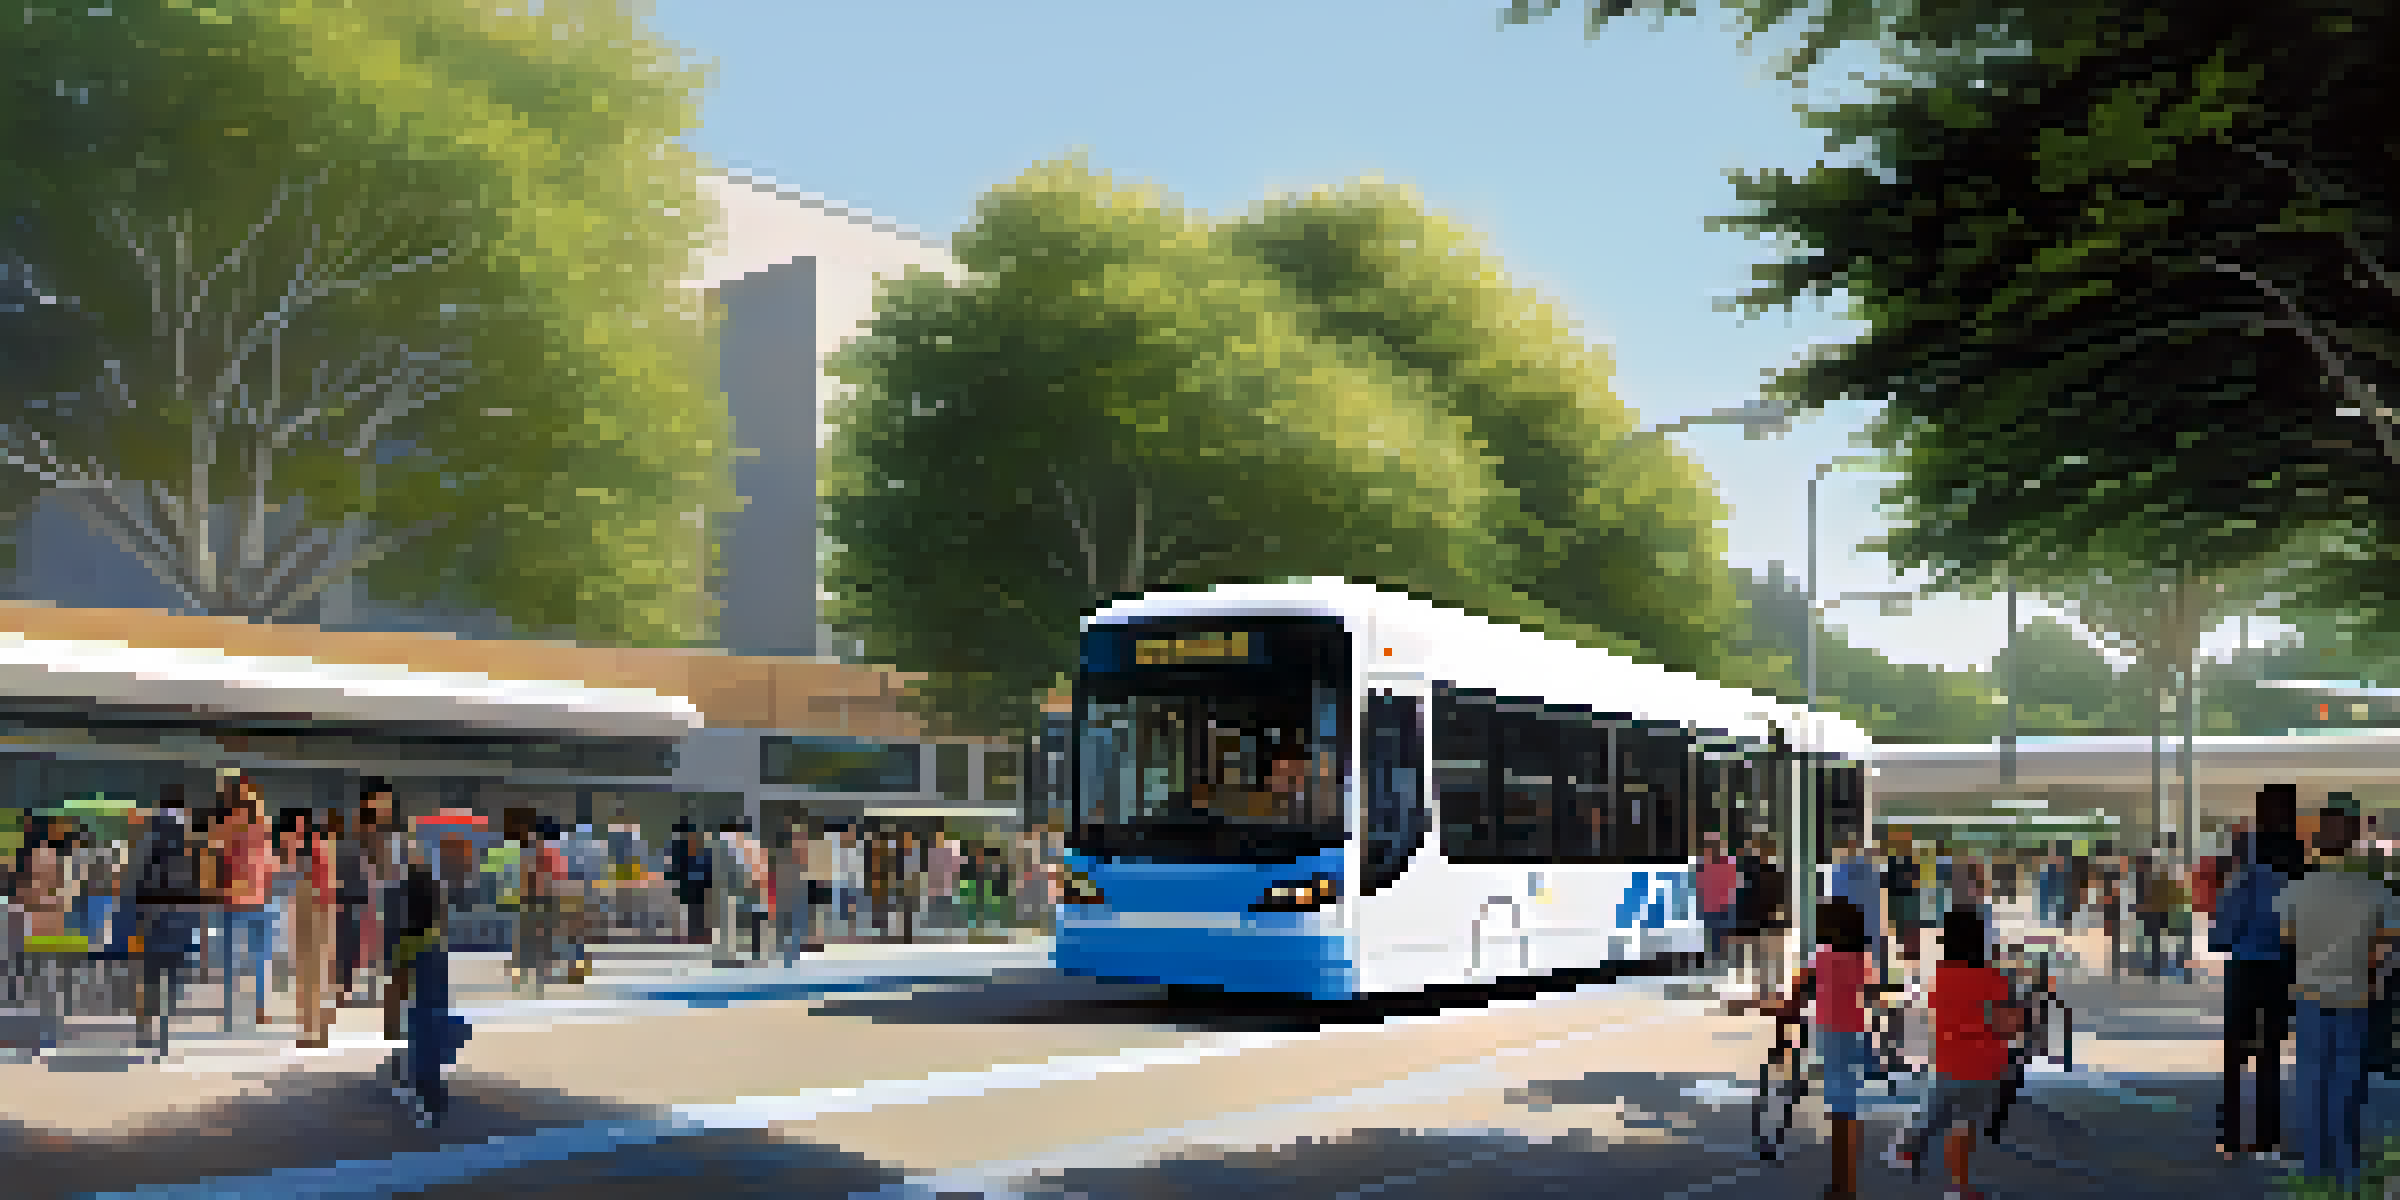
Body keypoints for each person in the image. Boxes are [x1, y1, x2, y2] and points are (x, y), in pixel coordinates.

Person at [2274, 800, 2400, 1191]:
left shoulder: (2295, 890)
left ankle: (2315, 1167)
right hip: (2355, 997)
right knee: (2347, 1085)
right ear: (2353, 840)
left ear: (2312, 843)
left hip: (2309, 995)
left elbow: (2286, 941)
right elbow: (2388, 946)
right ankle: (2347, 1169)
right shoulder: (2374, 891)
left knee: (2311, 1083)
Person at [1887, 907, 2026, 1200]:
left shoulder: (1940, 977)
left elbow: (1930, 1016)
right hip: (1986, 1067)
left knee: (1933, 1114)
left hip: (1949, 1063)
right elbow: (2010, 1026)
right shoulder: (1995, 978)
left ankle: (1905, 1149)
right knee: (1964, 1126)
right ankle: (1959, 1187)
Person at [2212, 803, 2302, 1160]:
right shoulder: (2297, 880)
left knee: (2234, 1059)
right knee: (2270, 1057)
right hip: (2282, 972)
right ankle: (2267, 1138)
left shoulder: (2244, 881)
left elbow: (2221, 935)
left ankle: (2232, 1137)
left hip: (2245, 972)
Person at [1772, 897, 1875, 1200]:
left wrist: (1783, 1025)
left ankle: (1843, 1186)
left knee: (1841, 1113)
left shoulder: (1821, 958)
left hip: (1833, 1039)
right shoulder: (1862, 960)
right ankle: (1846, 1183)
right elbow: (1872, 994)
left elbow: (1794, 997)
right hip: (1856, 1035)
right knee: (1847, 1111)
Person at [388, 860, 471, 1129]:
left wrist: (395, 1008)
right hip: (437, 1010)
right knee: (433, 1061)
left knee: (421, 1061)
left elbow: (400, 984)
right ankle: (435, 1103)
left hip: (418, 1014)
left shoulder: (406, 941)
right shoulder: (437, 938)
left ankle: (428, 1108)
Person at [129, 785, 209, 1059]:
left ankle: (147, 1029)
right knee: (172, 976)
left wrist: (135, 917)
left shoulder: (148, 835)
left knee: (150, 975)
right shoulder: (190, 839)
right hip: (179, 917)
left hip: (153, 915)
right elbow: (196, 884)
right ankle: (161, 1032)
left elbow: (137, 880)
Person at [212, 777, 278, 1032]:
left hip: (234, 900)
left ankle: (229, 1012)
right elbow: (271, 863)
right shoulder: (264, 825)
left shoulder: (226, 826)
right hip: (260, 899)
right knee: (260, 959)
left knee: (230, 959)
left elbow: (217, 857)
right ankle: (260, 1010)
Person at [1698, 831, 1740, 973]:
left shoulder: (1728, 861)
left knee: (1723, 937)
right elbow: (1699, 884)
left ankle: (1724, 964)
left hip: (1724, 906)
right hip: (1710, 907)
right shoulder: (1703, 862)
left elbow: (1733, 884)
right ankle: (1714, 965)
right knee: (1712, 938)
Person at [668, 820, 711, 946]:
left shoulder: (689, 846)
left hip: (694, 882)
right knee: (692, 908)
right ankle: (694, 934)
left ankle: (697, 934)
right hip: (690, 882)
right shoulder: (684, 847)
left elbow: (705, 863)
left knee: (695, 908)